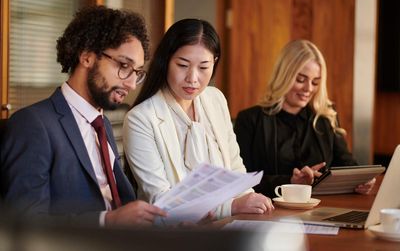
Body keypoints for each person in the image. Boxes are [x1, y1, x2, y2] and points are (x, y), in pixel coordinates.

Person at [0, 6, 166, 226]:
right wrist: (107, 221)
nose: (132, 83)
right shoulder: (32, 125)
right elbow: (26, 225)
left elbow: (123, 204)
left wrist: (167, 223)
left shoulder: (103, 123)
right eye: (124, 66)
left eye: (137, 72)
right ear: (87, 56)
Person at [123, 18, 274, 219]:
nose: (193, 78)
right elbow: (159, 199)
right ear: (166, 61)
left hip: (229, 225)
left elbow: (235, 166)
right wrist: (231, 206)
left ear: (215, 63)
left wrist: (249, 199)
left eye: (203, 67)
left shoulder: (215, 99)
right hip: (175, 235)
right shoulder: (140, 119)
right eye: (183, 65)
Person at [234, 39, 376, 198]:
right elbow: (241, 180)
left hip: (322, 208)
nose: (308, 89)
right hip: (270, 210)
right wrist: (290, 182)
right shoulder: (249, 120)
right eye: (301, 79)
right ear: (284, 76)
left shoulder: (325, 117)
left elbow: (346, 163)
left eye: (315, 82)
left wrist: (360, 179)